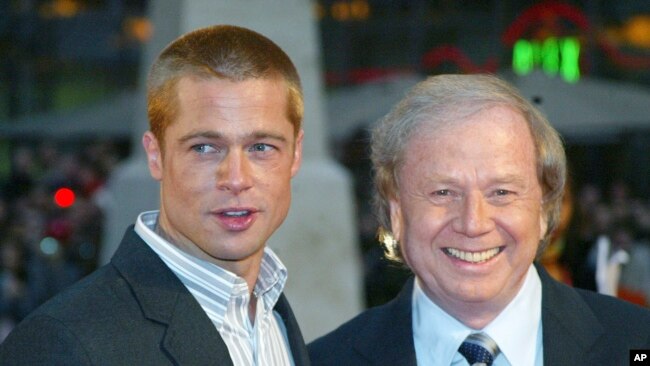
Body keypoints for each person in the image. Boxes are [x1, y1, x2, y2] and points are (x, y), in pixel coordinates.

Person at [0, 24, 310, 366]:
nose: (236, 179)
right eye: (205, 147)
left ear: (295, 154)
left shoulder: (275, 320)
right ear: (155, 156)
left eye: (261, 147)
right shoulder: (61, 343)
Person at [308, 74, 650, 365]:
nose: (473, 223)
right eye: (443, 193)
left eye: (501, 192)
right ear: (396, 213)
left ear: (546, 211)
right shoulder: (322, 361)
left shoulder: (637, 343)